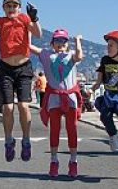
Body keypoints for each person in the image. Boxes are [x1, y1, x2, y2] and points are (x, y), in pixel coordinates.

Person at [0, 0, 42, 162]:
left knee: (24, 106)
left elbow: (38, 34)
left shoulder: (24, 19)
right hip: (5, 68)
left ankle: (26, 141)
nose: (11, 8)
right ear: (4, 7)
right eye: (8, 6)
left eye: (14, 5)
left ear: (19, 7)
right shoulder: (1, 21)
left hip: (24, 68)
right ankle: (8, 140)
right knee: (8, 108)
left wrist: (35, 18)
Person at [30, 29, 82, 177]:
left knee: (72, 129)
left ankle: (73, 161)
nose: (61, 44)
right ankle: (54, 161)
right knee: (55, 130)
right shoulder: (46, 54)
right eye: (58, 41)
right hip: (54, 98)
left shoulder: (71, 55)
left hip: (70, 97)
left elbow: (79, 55)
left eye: (63, 41)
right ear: (52, 43)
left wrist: (78, 40)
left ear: (67, 44)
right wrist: (27, 26)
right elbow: (28, 46)